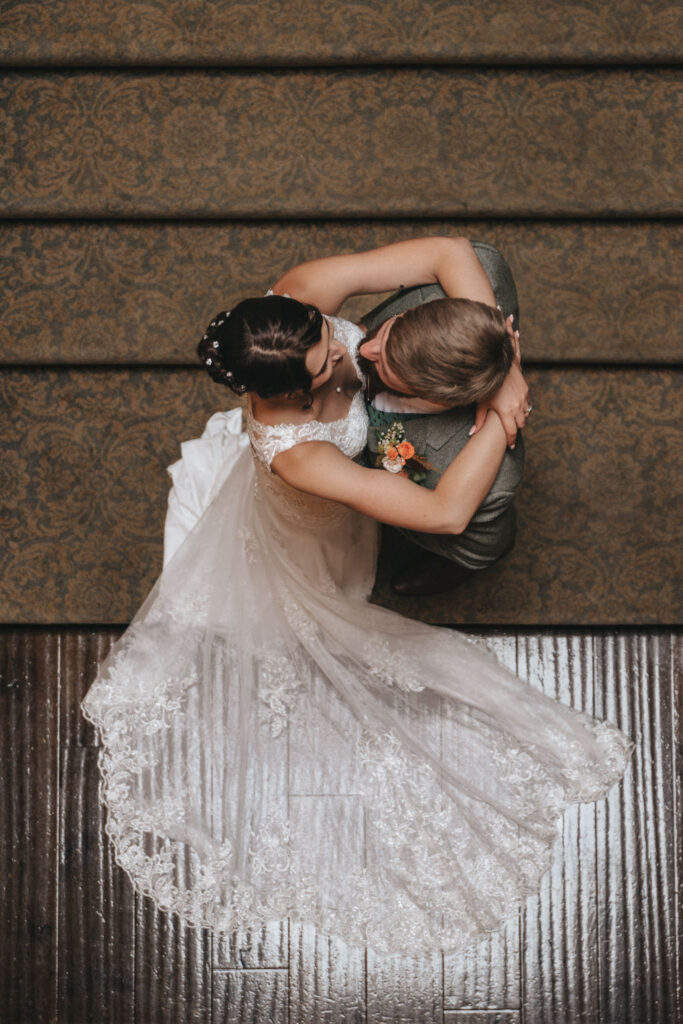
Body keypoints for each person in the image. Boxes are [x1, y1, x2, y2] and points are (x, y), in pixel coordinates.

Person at [82, 236, 632, 959]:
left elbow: (450, 251)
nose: (350, 353)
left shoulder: (302, 292)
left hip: (363, 461)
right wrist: (499, 422)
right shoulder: (298, 450)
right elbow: (444, 517)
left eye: (327, 340)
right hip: (316, 520)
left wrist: (503, 369)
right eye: (326, 365)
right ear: (292, 395)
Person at [356, 240, 527, 595]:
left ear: (436, 395)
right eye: (393, 327)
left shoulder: (489, 480)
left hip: (434, 509)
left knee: (479, 545)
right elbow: (456, 252)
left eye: (386, 367)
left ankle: (452, 570)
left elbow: (453, 520)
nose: (363, 348)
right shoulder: (483, 273)